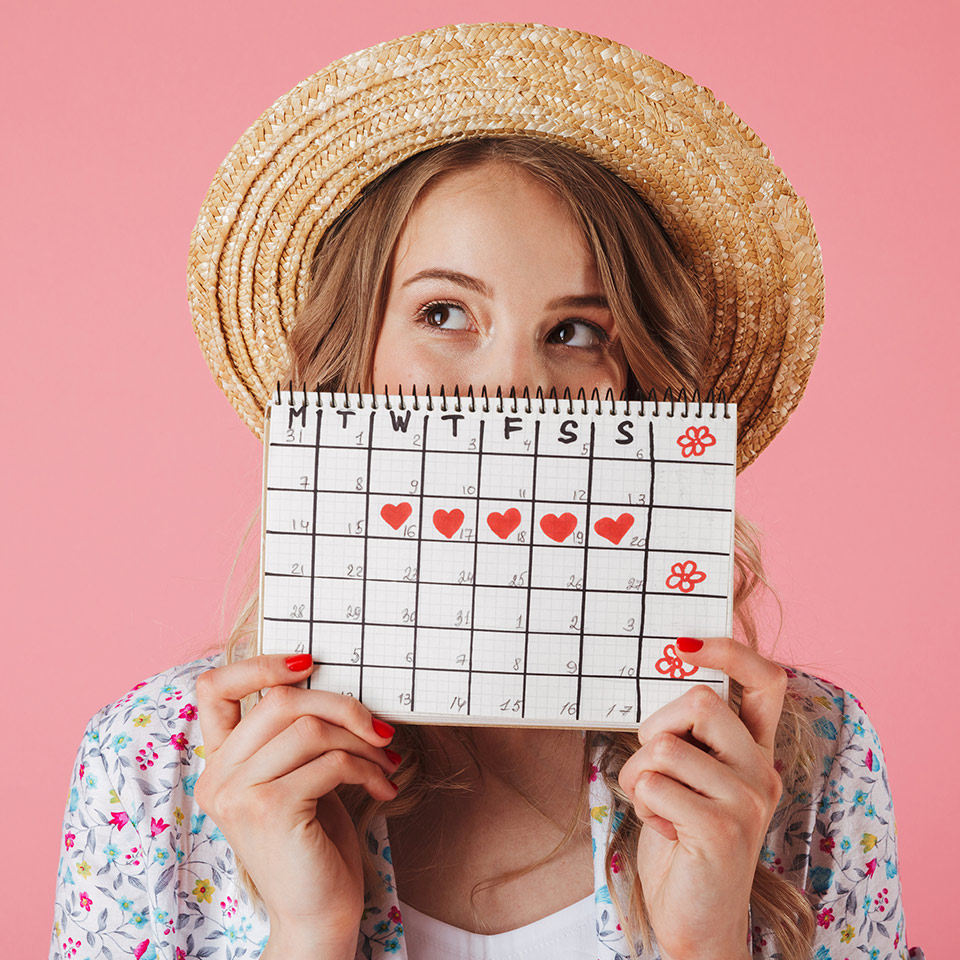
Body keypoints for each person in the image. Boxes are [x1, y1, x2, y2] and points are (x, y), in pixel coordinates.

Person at [50, 22, 924, 960]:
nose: (513, 386)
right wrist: (309, 932)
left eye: (578, 331)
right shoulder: (153, 766)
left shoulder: (802, 761)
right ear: (351, 371)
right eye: (444, 313)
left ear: (646, 391)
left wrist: (707, 940)